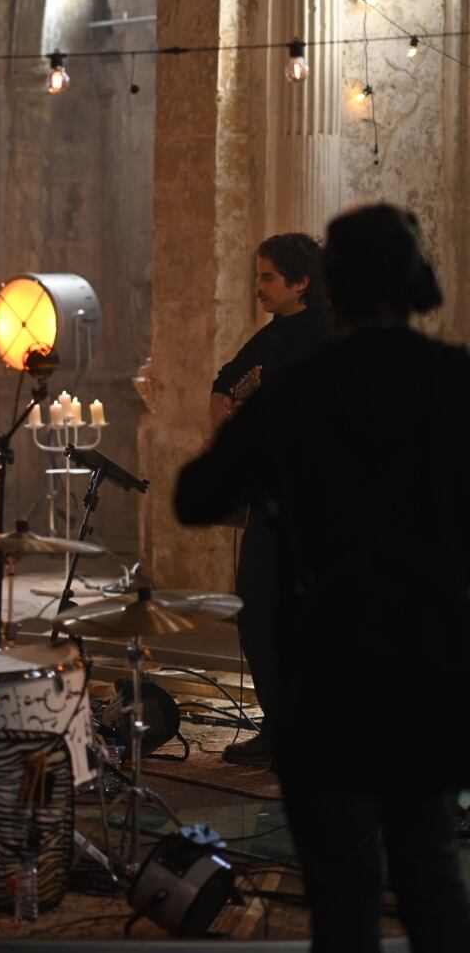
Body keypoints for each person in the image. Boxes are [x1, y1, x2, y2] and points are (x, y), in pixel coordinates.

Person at [176, 205, 469, 952]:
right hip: (431, 659)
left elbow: (197, 497)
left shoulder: (300, 388)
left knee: (341, 890)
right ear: (417, 285)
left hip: (330, 656)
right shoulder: (455, 380)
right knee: (432, 870)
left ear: (329, 283)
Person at [207, 232, 333, 765]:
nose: (258, 287)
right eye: (258, 276)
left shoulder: (330, 333)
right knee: (257, 608)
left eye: (268, 277)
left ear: (300, 282)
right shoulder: (274, 334)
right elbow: (225, 381)